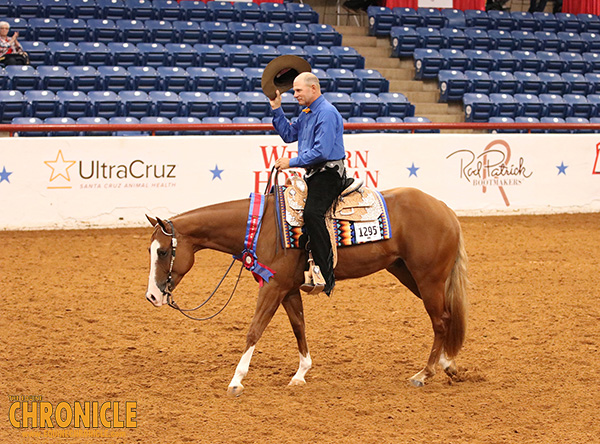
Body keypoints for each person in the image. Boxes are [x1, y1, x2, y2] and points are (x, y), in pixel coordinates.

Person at [270, 72, 347, 296]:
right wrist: (276, 108)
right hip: (315, 174)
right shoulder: (307, 113)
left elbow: (321, 152)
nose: (294, 94)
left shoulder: (327, 113)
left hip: (329, 173)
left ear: (313, 88)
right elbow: (288, 134)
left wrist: (290, 162)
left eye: (298, 90)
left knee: (313, 213)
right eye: (293, 91)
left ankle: (325, 273)